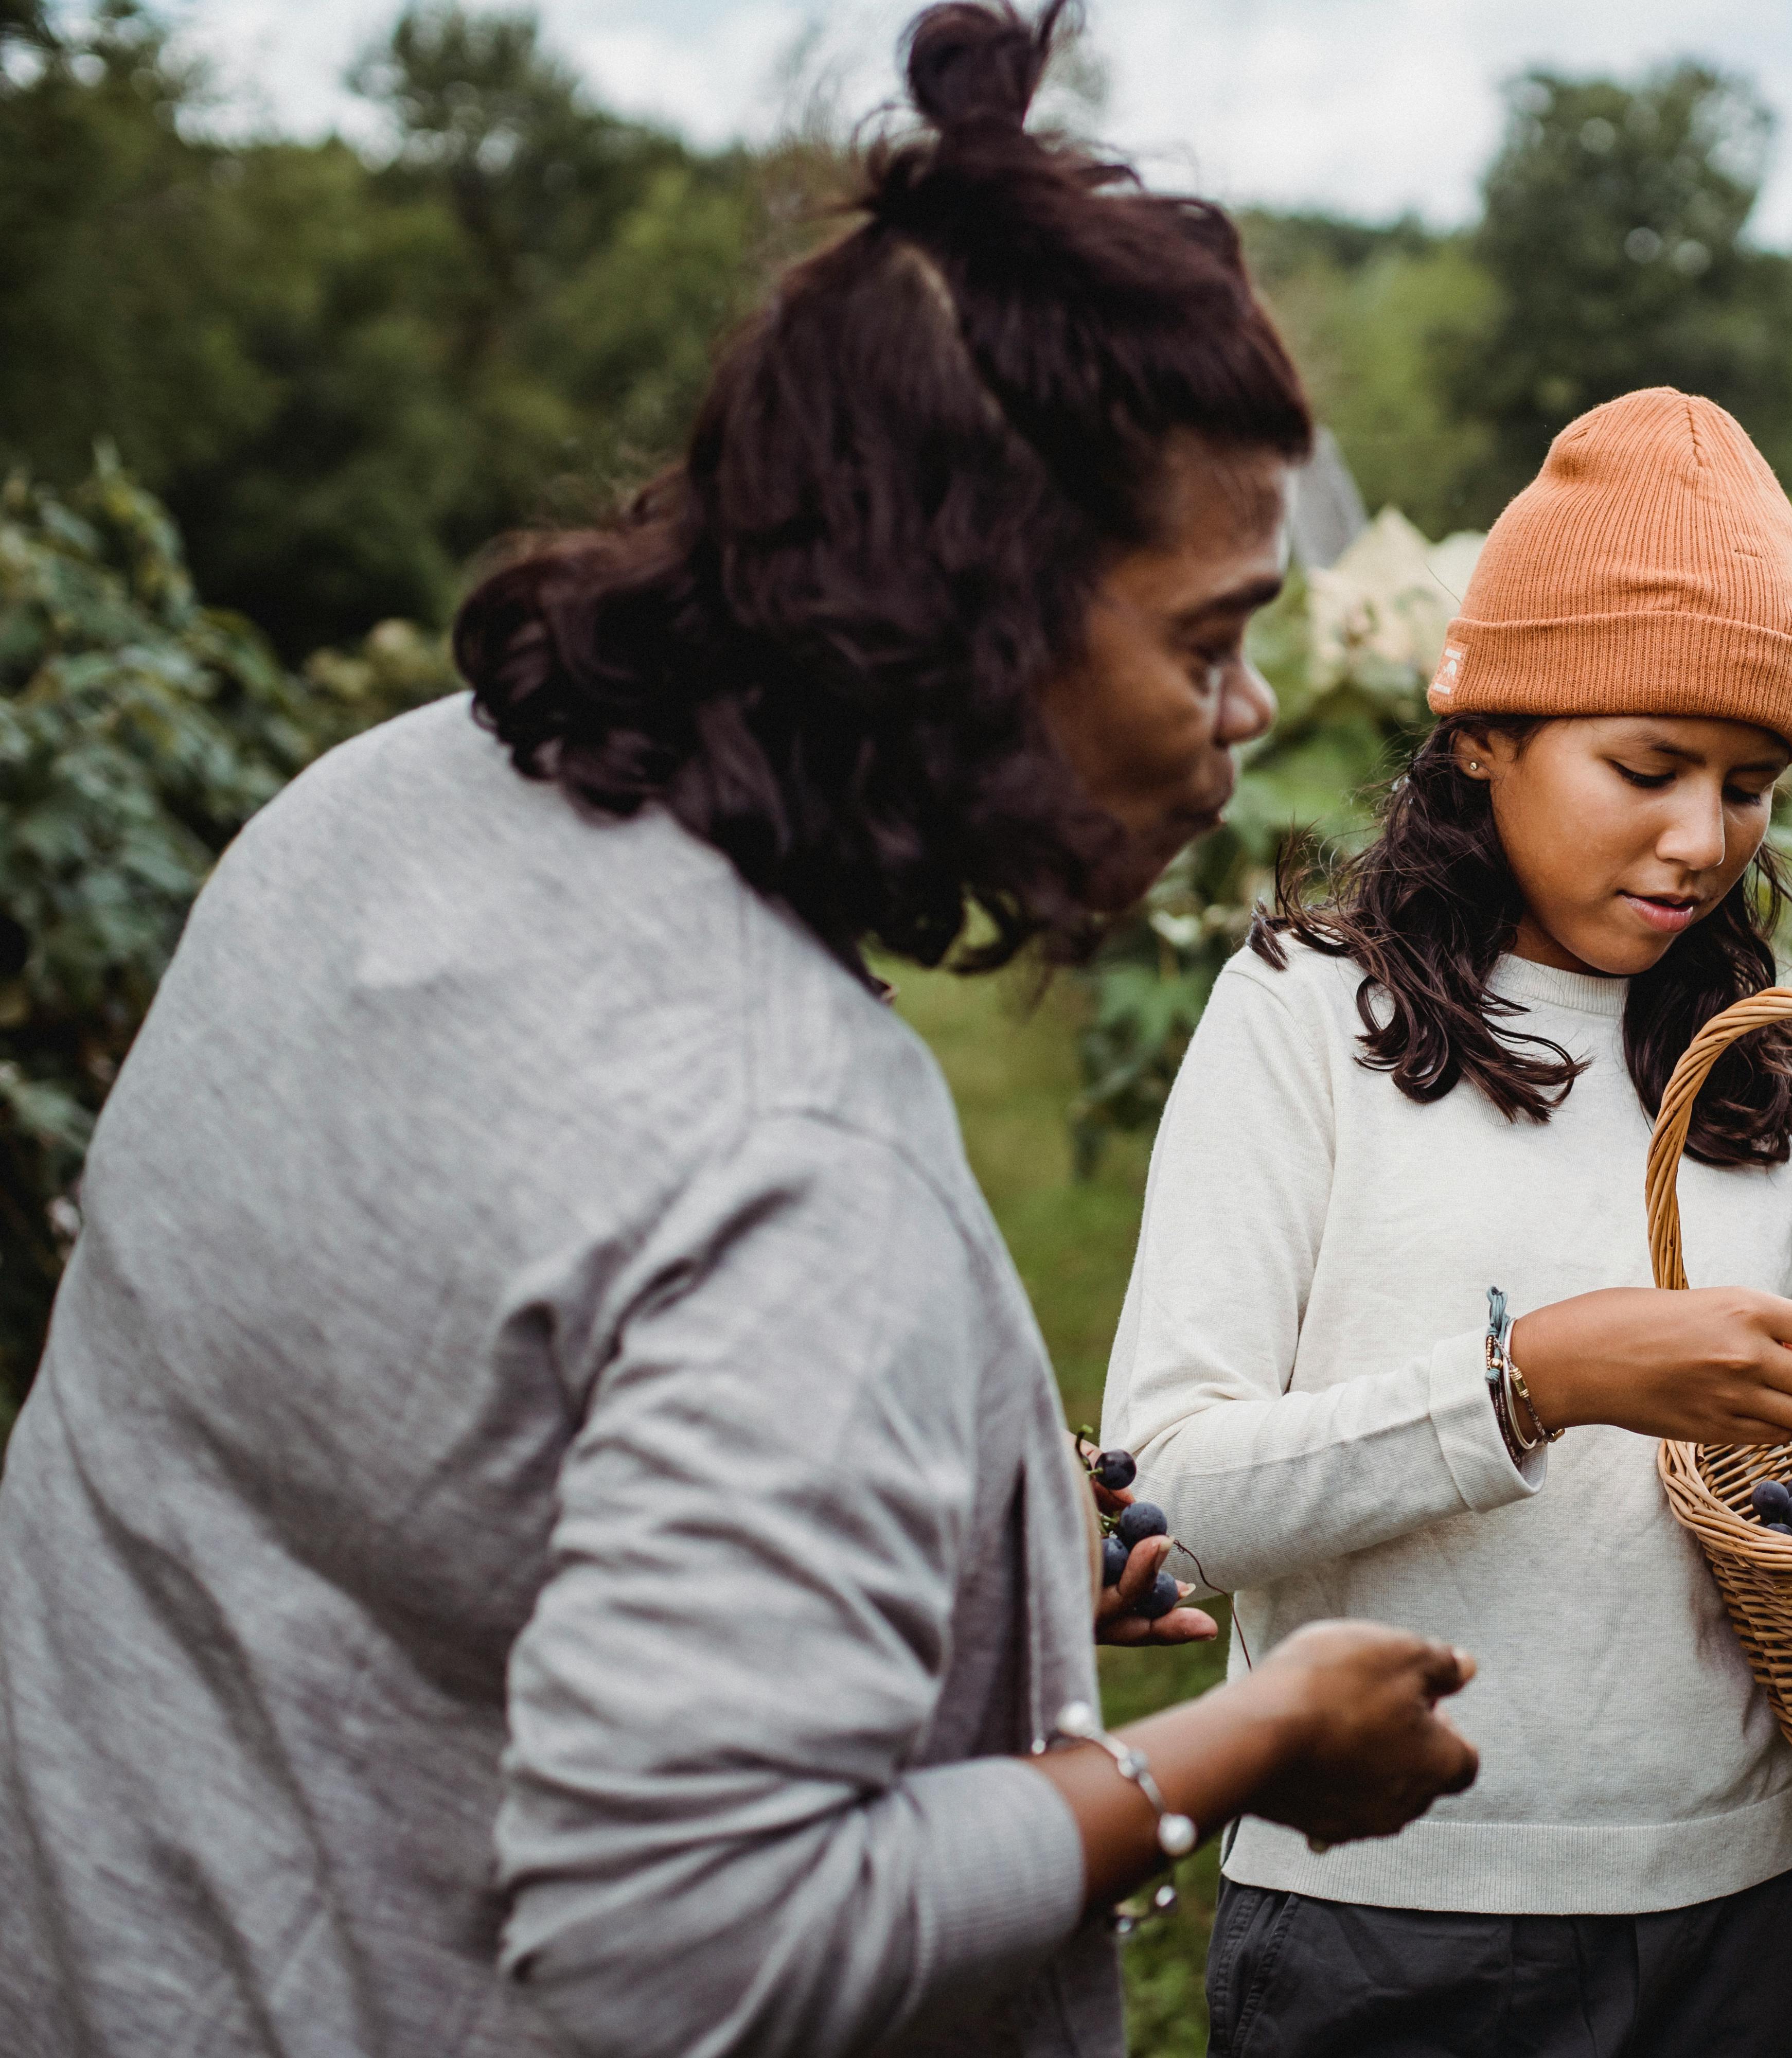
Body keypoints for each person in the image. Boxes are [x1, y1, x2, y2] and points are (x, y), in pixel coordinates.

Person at [0, 8, 1478, 2056]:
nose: (1247, 720)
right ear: (978, 612)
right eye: (1208, 639)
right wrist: (1231, 1750)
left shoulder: (383, 805)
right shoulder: (801, 1177)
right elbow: (680, 1943)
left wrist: (950, 1524)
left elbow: (477, 1414)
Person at [1101, 388, 1792, 2058]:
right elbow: (1164, 1498)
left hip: (1737, 1907)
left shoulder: (1774, 1074)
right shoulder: (1305, 1017)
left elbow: (1753, 1535)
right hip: (1391, 1918)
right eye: (1646, 768)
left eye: (1749, 787)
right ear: (1484, 733)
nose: (1698, 843)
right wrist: (1532, 1383)